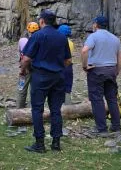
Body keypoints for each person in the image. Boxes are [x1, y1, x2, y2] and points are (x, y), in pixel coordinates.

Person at [21, 10, 72, 153]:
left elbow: (26, 58)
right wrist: (59, 68)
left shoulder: (37, 35)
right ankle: (56, 143)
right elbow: (68, 60)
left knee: (37, 109)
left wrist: (23, 70)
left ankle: (39, 143)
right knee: (56, 110)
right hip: (58, 77)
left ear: (42, 21)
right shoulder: (62, 37)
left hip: (40, 76)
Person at [81, 16, 121, 135]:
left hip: (96, 70)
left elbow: (84, 51)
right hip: (111, 70)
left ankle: (101, 128)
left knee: (97, 99)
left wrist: (85, 66)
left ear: (96, 24)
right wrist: (117, 70)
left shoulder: (93, 37)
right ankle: (116, 126)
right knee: (111, 99)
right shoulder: (115, 38)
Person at [17, 22, 40, 108]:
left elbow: (23, 57)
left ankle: (19, 108)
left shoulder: (23, 40)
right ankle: (32, 108)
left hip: (25, 68)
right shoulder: (40, 39)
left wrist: (22, 70)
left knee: (21, 88)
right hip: (37, 69)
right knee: (34, 89)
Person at [58, 24, 75, 105]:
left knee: (58, 86)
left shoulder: (57, 42)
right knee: (67, 87)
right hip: (68, 66)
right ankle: (68, 105)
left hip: (59, 65)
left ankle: (59, 104)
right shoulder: (71, 43)